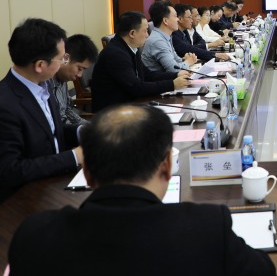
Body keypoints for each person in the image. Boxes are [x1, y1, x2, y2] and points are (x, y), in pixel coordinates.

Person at [8, 104, 276, 276]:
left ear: (86, 171)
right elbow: (263, 273)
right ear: (167, 166)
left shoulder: (34, 236)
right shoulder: (207, 226)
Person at [0, 19, 83, 201]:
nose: (64, 62)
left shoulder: (43, 85)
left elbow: (49, 132)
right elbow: (10, 171)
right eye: (62, 58)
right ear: (40, 65)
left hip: (53, 184)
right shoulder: (5, 104)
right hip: (22, 199)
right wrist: (74, 157)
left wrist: (82, 132)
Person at [91, 11, 190, 112]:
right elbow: (136, 88)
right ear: (132, 33)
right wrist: (172, 84)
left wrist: (175, 75)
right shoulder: (115, 54)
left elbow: (147, 75)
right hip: (112, 112)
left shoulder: (131, 48)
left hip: (131, 103)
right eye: (145, 31)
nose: (147, 35)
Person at [50, 34, 98, 127]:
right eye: (79, 68)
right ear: (66, 58)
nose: (80, 75)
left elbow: (67, 110)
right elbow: (58, 125)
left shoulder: (63, 79)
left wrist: (88, 127)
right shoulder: (44, 85)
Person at [142, 0, 197, 73]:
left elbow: (175, 59)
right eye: (175, 16)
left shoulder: (166, 36)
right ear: (165, 21)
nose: (178, 19)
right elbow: (174, 69)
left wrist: (184, 59)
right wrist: (188, 62)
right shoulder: (158, 41)